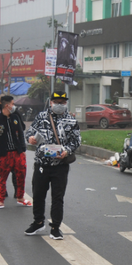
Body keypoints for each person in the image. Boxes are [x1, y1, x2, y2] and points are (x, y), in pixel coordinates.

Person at [24, 91, 81, 240]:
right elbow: (29, 132)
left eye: (62, 102)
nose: (59, 105)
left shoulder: (71, 120)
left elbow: (76, 141)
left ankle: (55, 227)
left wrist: (67, 151)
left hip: (60, 165)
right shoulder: (42, 117)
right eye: (56, 102)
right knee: (38, 194)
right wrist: (30, 138)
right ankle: (38, 222)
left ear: (66, 103)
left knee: (57, 197)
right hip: (42, 164)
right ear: (51, 103)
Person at [0, 95, 30, 209]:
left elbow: (21, 133)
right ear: (7, 105)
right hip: (4, 154)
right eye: (12, 103)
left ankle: (20, 198)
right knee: (2, 177)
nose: (14, 106)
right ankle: (0, 200)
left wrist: (23, 149)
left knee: (21, 175)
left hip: (18, 153)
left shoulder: (15, 117)